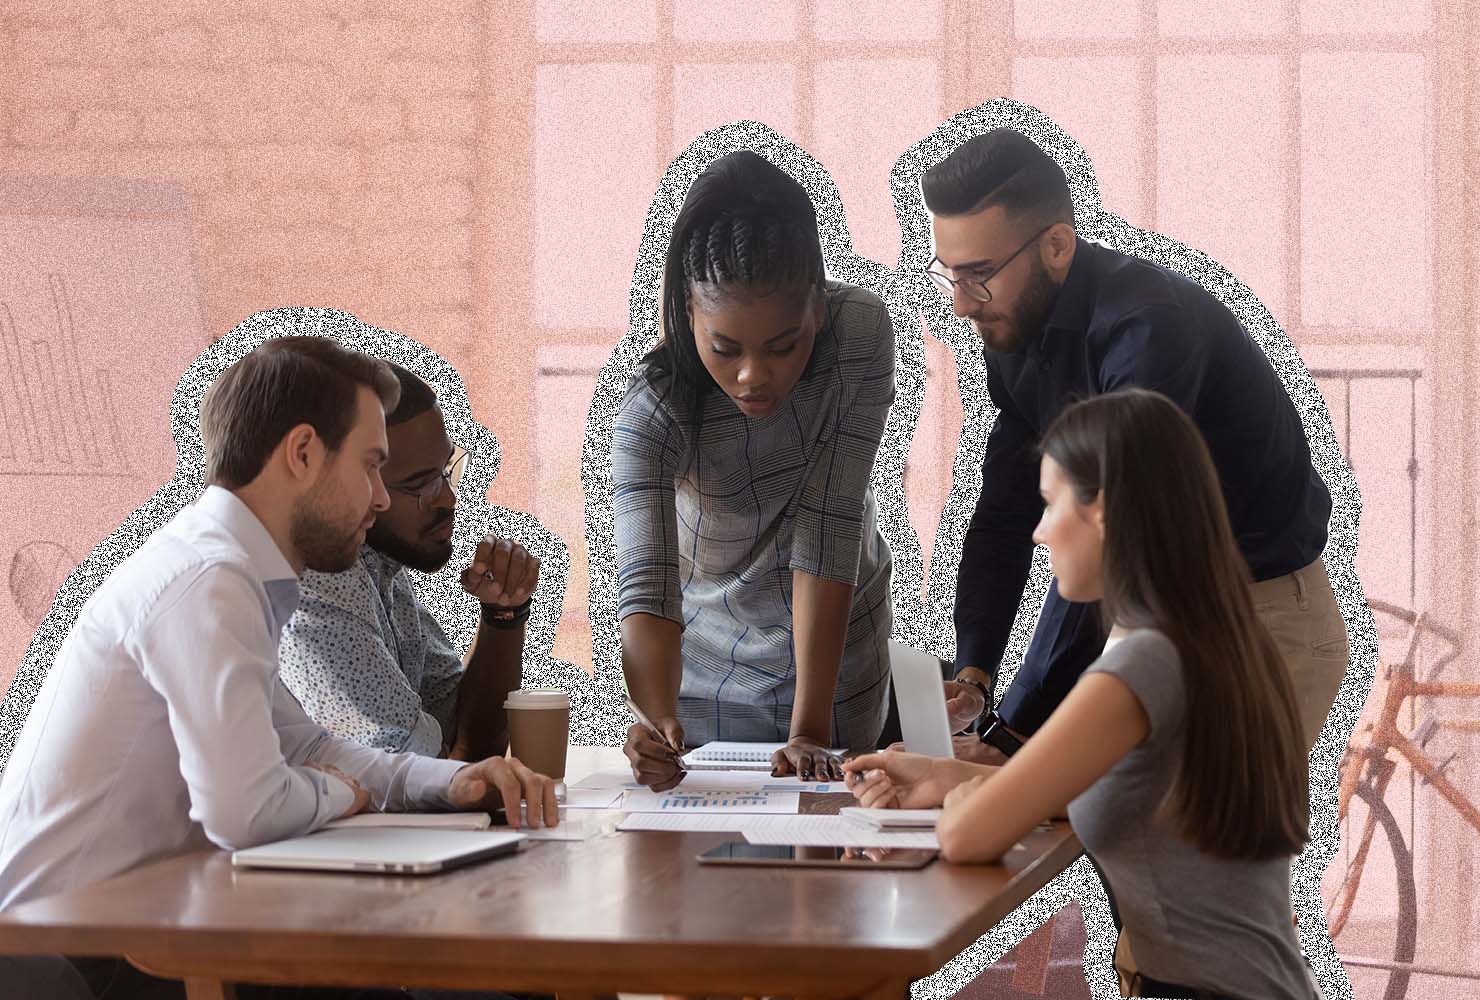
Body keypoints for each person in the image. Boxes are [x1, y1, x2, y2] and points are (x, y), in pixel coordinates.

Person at [0, 335, 557, 998]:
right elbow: (245, 811)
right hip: (75, 960)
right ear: (301, 454)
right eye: (372, 466)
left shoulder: (230, 570)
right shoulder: (206, 579)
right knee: (442, 978)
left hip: (132, 926)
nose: (381, 499)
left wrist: (455, 782)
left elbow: (307, 747)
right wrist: (340, 795)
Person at [845, 389, 1318, 999]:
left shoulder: (1140, 665)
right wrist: (943, 773)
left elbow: (967, 837)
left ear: (1105, 510)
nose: (1039, 534)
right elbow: (1131, 798)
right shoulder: (1218, 640)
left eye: (1048, 503)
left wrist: (964, 798)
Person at [921, 128, 1346, 763]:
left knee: (1191, 859)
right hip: (1144, 620)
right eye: (951, 275)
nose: (960, 303)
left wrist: (1013, 735)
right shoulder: (1015, 325)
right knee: (1096, 844)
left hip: (1253, 623)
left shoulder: (1148, 328)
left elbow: (1112, 528)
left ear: (1058, 245)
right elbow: (1007, 510)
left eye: (979, 276)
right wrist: (975, 674)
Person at [613, 150, 896, 789]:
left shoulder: (858, 337)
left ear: (817, 311)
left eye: (781, 346)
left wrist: (809, 731)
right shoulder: (652, 414)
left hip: (836, 665)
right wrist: (655, 721)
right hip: (704, 668)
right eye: (725, 348)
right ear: (688, 314)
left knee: (829, 856)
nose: (753, 376)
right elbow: (646, 587)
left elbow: (829, 522)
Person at [279, 361, 541, 763]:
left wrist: (503, 613)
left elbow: (466, 735)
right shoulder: (317, 584)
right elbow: (438, 778)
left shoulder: (381, 563)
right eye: (422, 484)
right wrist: (466, 760)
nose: (449, 499)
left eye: (445, 471)